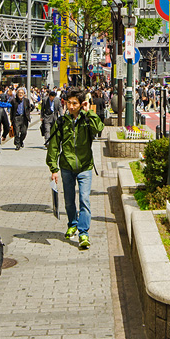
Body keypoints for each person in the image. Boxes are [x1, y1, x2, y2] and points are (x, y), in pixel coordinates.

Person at [47, 87, 104, 250]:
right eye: (69, 103)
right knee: (69, 201)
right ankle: (72, 223)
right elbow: (53, 146)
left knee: (84, 199)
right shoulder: (61, 122)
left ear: (81, 104)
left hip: (85, 166)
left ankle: (83, 232)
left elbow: (99, 128)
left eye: (75, 103)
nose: (71, 106)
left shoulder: (87, 119)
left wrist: (89, 112)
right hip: (66, 166)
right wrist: (53, 168)